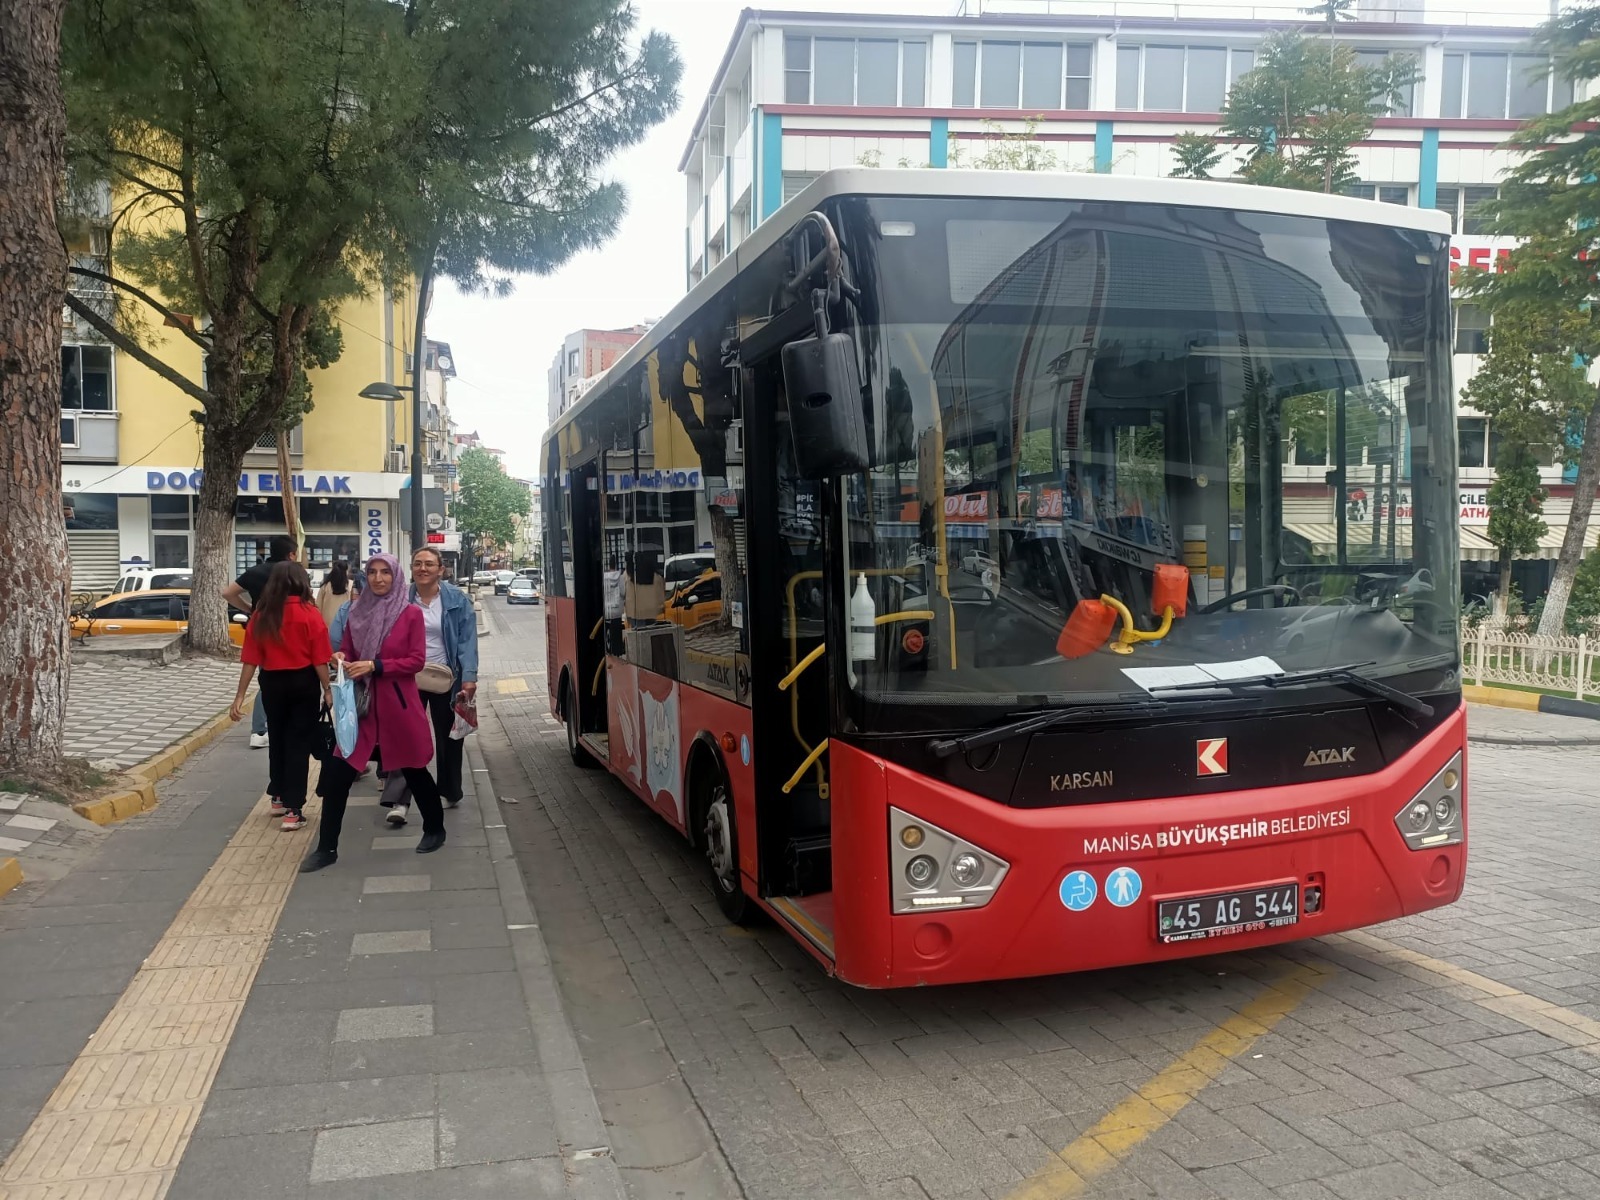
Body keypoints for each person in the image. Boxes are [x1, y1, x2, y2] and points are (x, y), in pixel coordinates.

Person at [300, 553, 446, 871]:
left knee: (414, 771)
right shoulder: (356, 611)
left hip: (398, 707)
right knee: (338, 776)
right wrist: (341, 655)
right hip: (361, 710)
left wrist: (375, 665)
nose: (378, 578)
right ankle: (327, 849)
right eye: (372, 572)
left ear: (395, 577)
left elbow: (415, 661)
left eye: (385, 573)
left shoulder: (409, 615)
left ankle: (435, 828)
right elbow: (349, 650)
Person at [227, 561, 332, 830]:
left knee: (278, 739)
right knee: (298, 744)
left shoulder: (262, 615)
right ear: (301, 582)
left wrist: (239, 696)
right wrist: (328, 690)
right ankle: (293, 810)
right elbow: (320, 659)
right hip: (303, 682)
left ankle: (277, 795)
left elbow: (250, 658)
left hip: (271, 683)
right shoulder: (310, 614)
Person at [380, 546, 478, 826]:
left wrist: (469, 676)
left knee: (449, 737)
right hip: (406, 677)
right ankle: (400, 800)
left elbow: (467, 640)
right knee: (405, 736)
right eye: (417, 564)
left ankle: (449, 788)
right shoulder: (398, 600)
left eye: (429, 564)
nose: (423, 568)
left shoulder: (456, 600)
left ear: (440, 569)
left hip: (445, 678)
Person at [223, 534, 298, 750]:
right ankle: (286, 725)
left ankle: (259, 730)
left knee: (267, 677)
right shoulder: (292, 573)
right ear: (290, 554)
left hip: (262, 627)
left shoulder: (255, 572)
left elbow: (227, 593)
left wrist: (249, 609)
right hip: (290, 629)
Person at [316, 560, 352, 628]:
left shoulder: (325, 586)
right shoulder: (351, 585)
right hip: (345, 625)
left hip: (327, 626)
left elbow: (318, 607)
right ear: (346, 571)